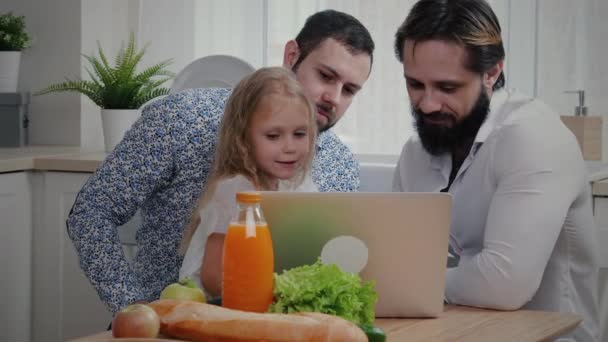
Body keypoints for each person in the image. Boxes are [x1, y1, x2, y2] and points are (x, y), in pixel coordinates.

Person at [66, 9, 374, 315]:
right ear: (292, 54)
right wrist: (134, 310)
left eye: (349, 90)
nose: (333, 97)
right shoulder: (181, 120)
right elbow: (92, 211)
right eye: (326, 76)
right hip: (176, 325)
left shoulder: (341, 166)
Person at [392, 0, 599, 340]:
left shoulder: (533, 136)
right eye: (415, 85)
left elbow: (505, 283)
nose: (427, 104)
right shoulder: (418, 150)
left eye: (447, 88)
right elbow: (396, 253)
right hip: (459, 330)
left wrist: (410, 281)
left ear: (492, 73)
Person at [179, 66, 318, 297]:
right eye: (274, 136)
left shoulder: (298, 186)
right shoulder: (234, 189)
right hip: (214, 304)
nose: (290, 147)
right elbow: (213, 279)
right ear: (243, 138)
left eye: (300, 134)